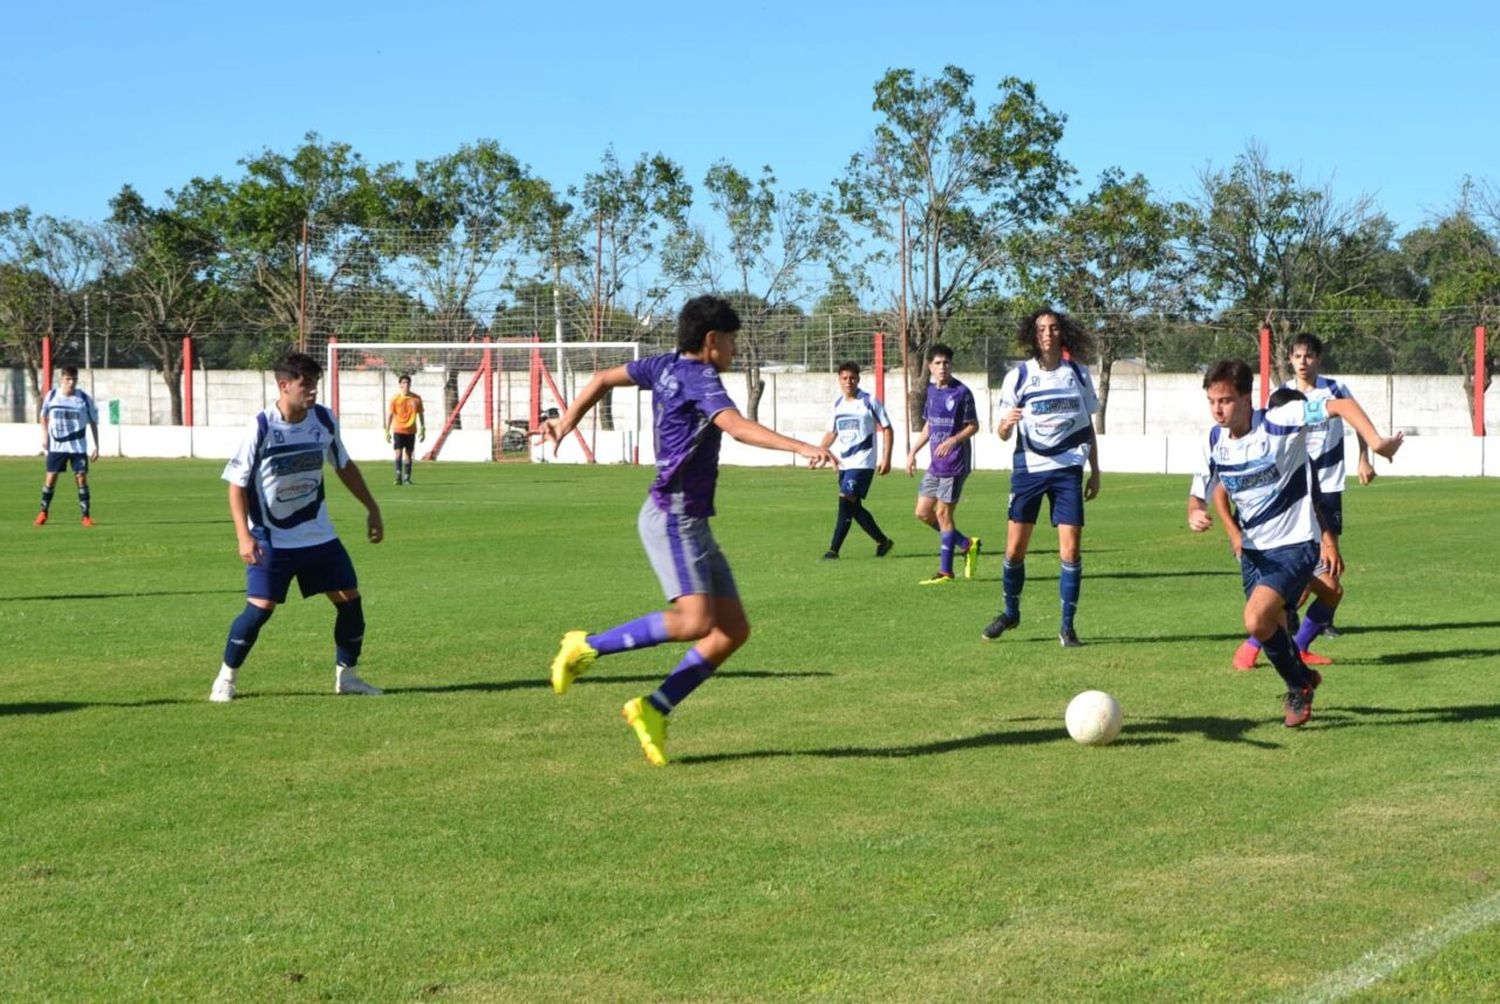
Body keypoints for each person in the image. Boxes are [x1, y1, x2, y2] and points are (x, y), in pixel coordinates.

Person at [544, 295, 835, 767]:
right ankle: (586, 645)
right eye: (733, 341)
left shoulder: (661, 366)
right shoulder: (702, 378)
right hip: (673, 517)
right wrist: (801, 447)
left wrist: (567, 420)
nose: (736, 351)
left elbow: (600, 379)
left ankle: (653, 710)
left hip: (691, 519)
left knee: (731, 631)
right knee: (696, 623)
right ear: (712, 340)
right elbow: (737, 427)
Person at [1187, 359, 1402, 727]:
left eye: (1224, 400)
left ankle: (1297, 683)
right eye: (1211, 401)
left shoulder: (1279, 421)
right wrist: (1195, 511)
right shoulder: (1213, 440)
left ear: (1245, 397)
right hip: (1254, 553)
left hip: (1295, 545)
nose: (1217, 409)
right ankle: (1301, 682)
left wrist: (1375, 442)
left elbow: (1341, 405)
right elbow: (1200, 492)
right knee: (1273, 626)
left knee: (1255, 620)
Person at [210, 352, 386, 703]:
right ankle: (226, 679)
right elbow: (236, 484)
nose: (313, 392)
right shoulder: (261, 427)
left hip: (319, 536)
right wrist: (243, 536)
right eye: (306, 385)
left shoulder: (322, 419)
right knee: (259, 610)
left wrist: (372, 508)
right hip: (271, 538)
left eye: (315, 385)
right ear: (284, 385)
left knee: (351, 604)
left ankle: (347, 677)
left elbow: (344, 464)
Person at [1230, 334, 1373, 670]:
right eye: (1297, 356)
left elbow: (1355, 420)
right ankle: (1257, 643)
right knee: (1314, 581)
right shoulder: (1280, 401)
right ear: (1291, 359)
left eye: (1309, 355)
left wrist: (1366, 457)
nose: (1303, 361)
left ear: (1318, 359)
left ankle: (1293, 644)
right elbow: (1222, 490)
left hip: (1325, 487)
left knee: (1327, 582)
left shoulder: (1334, 390)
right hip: (1292, 502)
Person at [983, 308, 1101, 647]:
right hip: (1028, 470)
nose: (1047, 333)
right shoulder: (1018, 377)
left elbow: (1087, 425)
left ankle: (1067, 627)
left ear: (1062, 333)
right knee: (1015, 549)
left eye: (1053, 328)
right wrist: (1005, 425)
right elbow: (1003, 432)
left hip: (1067, 469)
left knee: (1071, 550)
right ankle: (1010, 612)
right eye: (1041, 329)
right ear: (1032, 336)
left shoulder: (1077, 374)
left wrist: (1096, 471)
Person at [904, 343, 981, 585]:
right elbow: (929, 424)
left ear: (951, 365)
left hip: (955, 463)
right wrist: (913, 451)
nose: (942, 367)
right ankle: (966, 544)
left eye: (946, 363)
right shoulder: (931, 392)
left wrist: (953, 440)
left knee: (942, 513)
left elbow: (973, 425)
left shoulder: (962, 392)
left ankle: (946, 572)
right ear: (930, 366)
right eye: (937, 363)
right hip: (936, 464)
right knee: (923, 512)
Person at [818, 361, 895, 559]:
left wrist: (886, 458)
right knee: (854, 507)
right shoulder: (838, 405)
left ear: (858, 379)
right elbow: (832, 432)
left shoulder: (869, 401)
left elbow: (887, 428)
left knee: (845, 501)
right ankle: (883, 541)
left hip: (863, 463)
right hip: (845, 464)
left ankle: (833, 550)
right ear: (839, 380)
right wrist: (819, 450)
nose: (848, 381)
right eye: (844, 378)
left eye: (852, 378)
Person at [35, 366, 101, 527]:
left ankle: (86, 517)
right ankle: (43, 513)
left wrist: (97, 446)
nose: (71, 383)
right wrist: (44, 436)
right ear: (61, 379)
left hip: (77, 447)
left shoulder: (84, 399)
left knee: (81, 478)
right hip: (57, 447)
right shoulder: (51, 396)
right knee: (51, 478)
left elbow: (93, 421)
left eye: (74, 380)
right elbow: (43, 417)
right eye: (68, 379)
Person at [384, 373, 425, 485]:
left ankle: (407, 478)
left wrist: (423, 428)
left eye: (407, 382)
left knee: (409, 454)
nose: (406, 384)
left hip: (411, 430)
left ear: (410, 384)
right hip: (398, 429)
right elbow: (390, 415)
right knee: (398, 454)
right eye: (404, 382)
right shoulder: (395, 399)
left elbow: (421, 414)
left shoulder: (416, 398)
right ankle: (398, 477)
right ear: (400, 385)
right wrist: (387, 430)